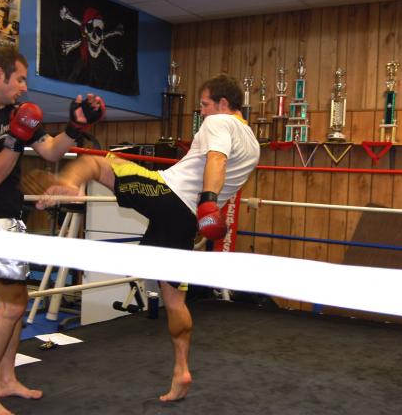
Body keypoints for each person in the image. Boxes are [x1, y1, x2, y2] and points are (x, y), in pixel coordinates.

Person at [37, 74, 260, 401]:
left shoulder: (219, 123)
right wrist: (209, 205)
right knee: (174, 298)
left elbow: (217, 159)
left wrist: (209, 198)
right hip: (186, 219)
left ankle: (70, 187)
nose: (202, 111)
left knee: (94, 161)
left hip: (171, 195)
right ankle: (181, 370)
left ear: (223, 104)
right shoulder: (253, 143)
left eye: (204, 104)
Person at [0, 46, 104, 415]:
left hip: (10, 215)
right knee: (12, 304)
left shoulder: (15, 113)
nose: (23, 87)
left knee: (16, 305)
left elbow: (51, 152)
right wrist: (15, 139)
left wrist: (75, 127)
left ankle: (5, 379)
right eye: (19, 79)